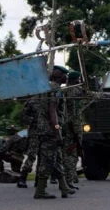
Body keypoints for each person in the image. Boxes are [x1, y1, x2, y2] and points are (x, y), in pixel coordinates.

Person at [34, 65, 75, 199]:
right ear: (60, 76)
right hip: (50, 130)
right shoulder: (55, 89)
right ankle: (40, 190)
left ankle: (64, 187)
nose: (66, 77)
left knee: (57, 158)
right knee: (48, 160)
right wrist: (57, 130)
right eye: (65, 75)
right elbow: (52, 110)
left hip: (44, 128)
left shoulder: (45, 87)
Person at [63, 70, 86, 190]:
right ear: (74, 80)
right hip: (73, 126)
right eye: (79, 79)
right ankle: (68, 181)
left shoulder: (65, 90)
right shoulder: (74, 90)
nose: (80, 81)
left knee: (69, 153)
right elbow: (87, 94)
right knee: (71, 155)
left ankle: (69, 179)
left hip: (67, 125)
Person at [18, 95, 40, 188]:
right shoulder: (32, 101)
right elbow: (23, 116)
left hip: (46, 132)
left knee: (44, 157)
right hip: (35, 133)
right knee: (31, 155)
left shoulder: (49, 100)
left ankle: (39, 180)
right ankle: (23, 178)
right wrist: (34, 120)